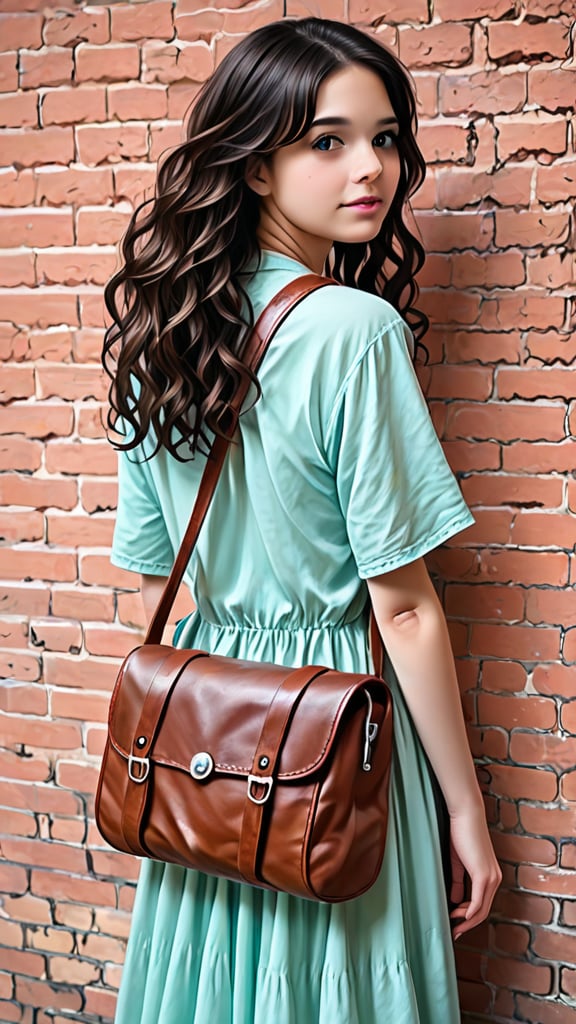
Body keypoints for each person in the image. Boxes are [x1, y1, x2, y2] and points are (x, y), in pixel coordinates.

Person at [103, 17, 501, 1024]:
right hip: (335, 735)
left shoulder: (159, 331)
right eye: (326, 140)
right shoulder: (354, 330)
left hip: (213, 741)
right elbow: (403, 608)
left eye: (384, 137)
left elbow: (157, 584)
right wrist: (467, 811)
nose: (369, 166)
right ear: (252, 162)